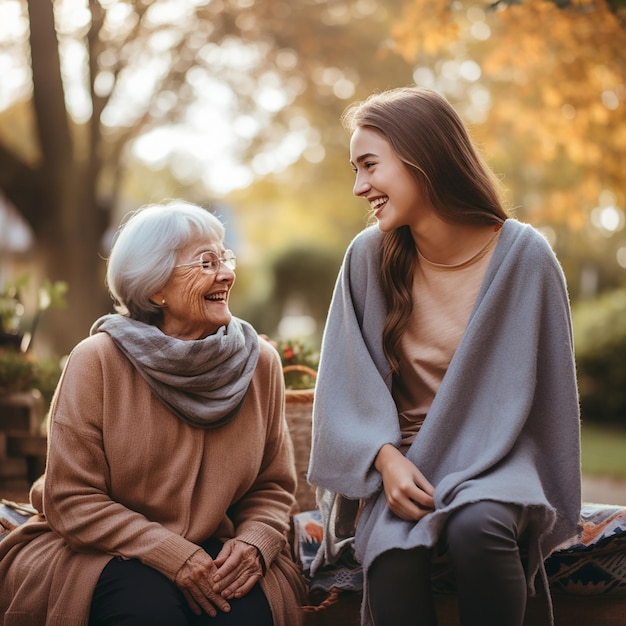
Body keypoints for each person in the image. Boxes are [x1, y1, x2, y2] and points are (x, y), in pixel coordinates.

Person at [308, 87, 581, 626]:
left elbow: (552, 398)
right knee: (394, 550)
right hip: (405, 459)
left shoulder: (525, 258)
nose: (359, 186)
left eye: (369, 166)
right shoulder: (367, 257)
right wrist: (383, 459)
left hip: (497, 457)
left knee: (478, 529)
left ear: (422, 158)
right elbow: (344, 386)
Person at [0, 200, 306, 625]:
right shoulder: (97, 361)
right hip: (109, 550)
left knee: (246, 616)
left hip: (219, 549)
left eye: (224, 258)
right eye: (206, 262)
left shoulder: (260, 364)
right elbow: (71, 498)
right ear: (155, 289)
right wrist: (169, 552)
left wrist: (256, 542)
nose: (226, 274)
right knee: (146, 610)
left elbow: (272, 485)